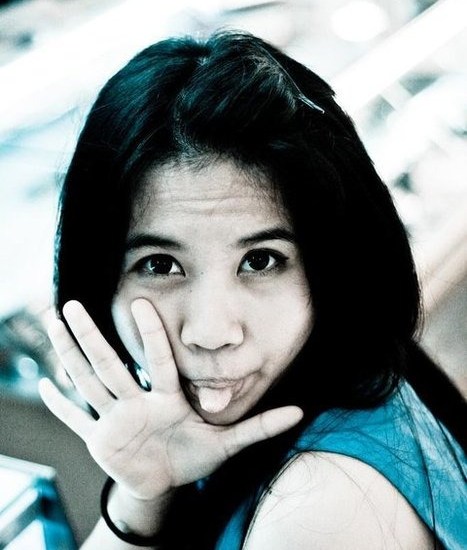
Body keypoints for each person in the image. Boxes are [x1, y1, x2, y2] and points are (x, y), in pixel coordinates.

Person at [38, 30, 466, 549]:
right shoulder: (347, 379)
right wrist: (141, 500)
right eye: (160, 265)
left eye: (260, 261)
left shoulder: (317, 513)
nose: (211, 332)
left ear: (331, 265)